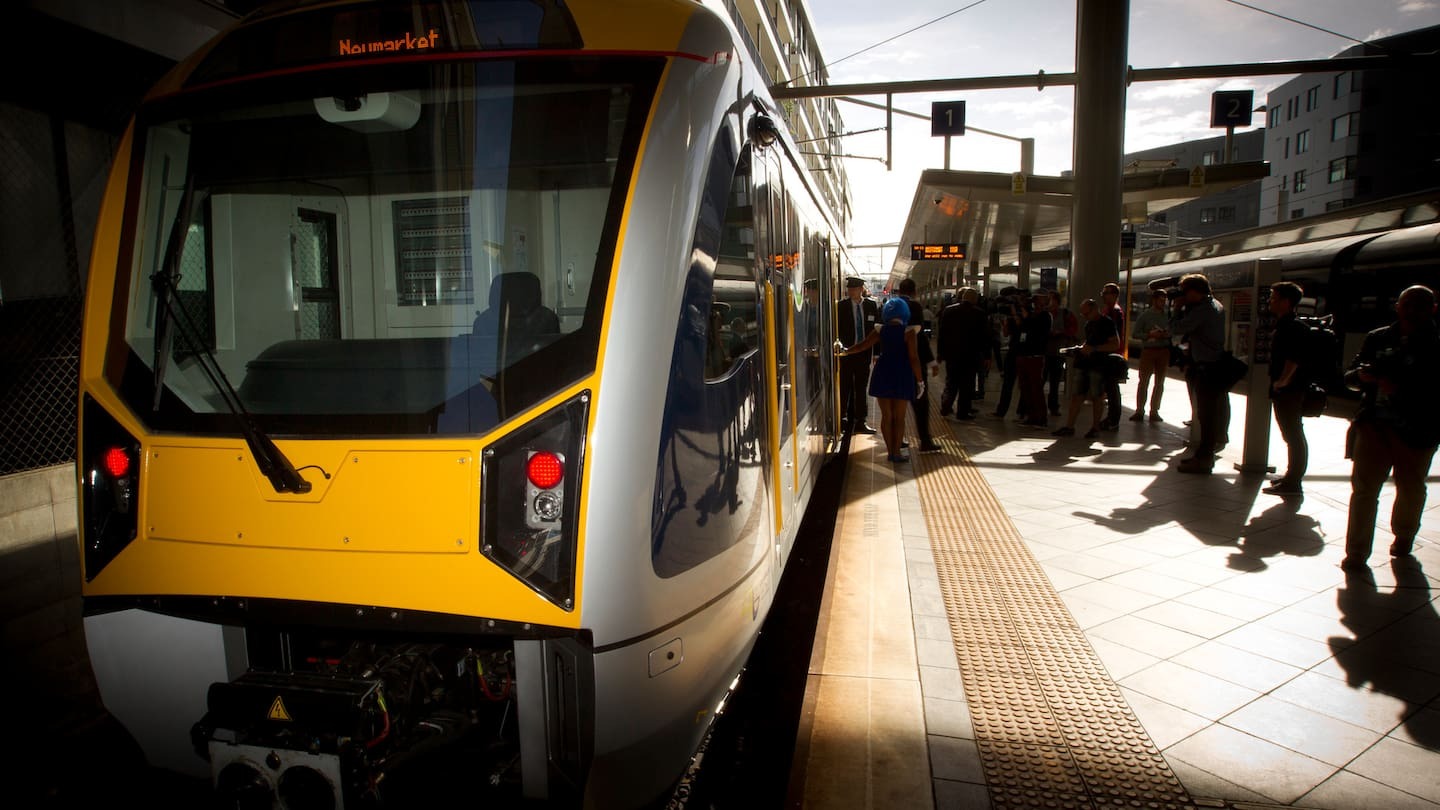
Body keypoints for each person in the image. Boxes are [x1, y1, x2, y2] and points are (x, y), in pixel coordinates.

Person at [1341, 285, 1440, 570]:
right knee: (1363, 490)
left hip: (1417, 430)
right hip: (1374, 425)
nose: (1411, 310)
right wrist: (1362, 376)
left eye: (1419, 305)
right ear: (1397, 306)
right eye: (1407, 303)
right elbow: (1349, 376)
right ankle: (1356, 552)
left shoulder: (1436, 344)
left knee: (1410, 487)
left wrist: (1401, 388)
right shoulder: (1379, 338)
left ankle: (1404, 533)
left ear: (1432, 309)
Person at [840, 296, 923, 462]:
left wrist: (845, 351)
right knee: (899, 418)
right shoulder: (909, 333)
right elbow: (914, 358)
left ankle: (890, 451)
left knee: (886, 416)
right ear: (904, 313)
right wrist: (920, 381)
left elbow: (863, 345)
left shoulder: (880, 330)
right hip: (902, 373)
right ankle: (896, 453)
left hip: (883, 372)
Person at [1168, 273, 1228, 474]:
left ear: (1195, 291)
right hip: (1212, 365)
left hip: (1206, 366)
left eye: (1186, 292)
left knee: (1205, 415)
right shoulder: (1215, 305)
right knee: (1206, 415)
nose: (1184, 296)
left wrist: (1177, 309)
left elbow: (1175, 328)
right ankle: (1203, 456)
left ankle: (1204, 459)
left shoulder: (1203, 310)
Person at [1263, 281, 1311, 495]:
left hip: (1290, 390)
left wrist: (1282, 381)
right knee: (1291, 434)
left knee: (1293, 434)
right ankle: (1291, 476)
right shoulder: (1284, 324)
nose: (1270, 301)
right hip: (1286, 388)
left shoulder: (1292, 327)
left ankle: (1293, 481)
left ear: (1286, 301)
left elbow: (1294, 358)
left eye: (1274, 297)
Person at [1052, 298, 1118, 440]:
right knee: (1077, 396)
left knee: (1097, 397)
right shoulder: (1089, 324)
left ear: (1094, 309)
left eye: (1086, 313)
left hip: (1098, 365)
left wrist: (1095, 349)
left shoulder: (1107, 323)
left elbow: (1115, 344)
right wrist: (1080, 349)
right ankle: (1069, 426)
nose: (1085, 317)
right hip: (1085, 364)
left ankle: (1095, 428)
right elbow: (1089, 342)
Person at [897, 279, 943, 453]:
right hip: (913, 361)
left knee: (897, 403)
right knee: (921, 403)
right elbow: (919, 336)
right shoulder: (915, 307)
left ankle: (898, 439)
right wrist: (931, 362)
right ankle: (925, 441)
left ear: (900, 290)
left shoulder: (888, 306)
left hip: (895, 361)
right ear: (914, 291)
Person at [936, 288, 992, 421]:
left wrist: (940, 353)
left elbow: (942, 334)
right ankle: (963, 412)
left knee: (951, 382)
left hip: (952, 355)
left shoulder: (949, 311)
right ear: (975, 300)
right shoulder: (979, 313)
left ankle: (946, 405)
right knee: (967, 384)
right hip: (971, 355)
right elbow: (985, 336)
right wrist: (987, 355)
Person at [836, 276, 879, 435]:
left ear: (861, 289)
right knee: (844, 386)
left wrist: (877, 353)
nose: (851, 291)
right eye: (849, 289)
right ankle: (842, 418)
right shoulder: (841, 306)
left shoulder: (871, 305)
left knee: (861, 388)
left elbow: (877, 330)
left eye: (854, 289)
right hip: (846, 353)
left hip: (864, 354)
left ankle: (861, 421)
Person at [1129, 289, 1171, 423]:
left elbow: (1173, 331)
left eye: (1164, 300)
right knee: (1144, 382)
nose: (1163, 303)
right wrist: (1150, 335)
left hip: (1163, 350)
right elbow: (1135, 334)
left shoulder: (1167, 316)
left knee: (1160, 383)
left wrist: (1166, 334)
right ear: (1154, 300)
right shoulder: (1145, 316)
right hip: (1149, 351)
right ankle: (1140, 410)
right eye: (1160, 300)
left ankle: (1154, 411)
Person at [1016, 292, 1053, 427]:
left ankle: (1040, 417)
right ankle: (1031, 416)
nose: (1035, 303)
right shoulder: (1031, 315)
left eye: (1038, 300)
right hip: (1024, 354)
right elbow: (1023, 329)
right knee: (1025, 388)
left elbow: (1038, 331)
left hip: (1036, 356)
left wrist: (1027, 317)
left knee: (1035, 388)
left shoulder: (1045, 316)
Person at [1043, 290, 1078, 416]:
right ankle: (1038, 406)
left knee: (1055, 381)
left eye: (1051, 299)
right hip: (1045, 351)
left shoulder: (1066, 314)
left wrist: (1061, 332)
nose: (1048, 302)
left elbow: (1073, 329)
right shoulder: (1044, 313)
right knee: (1041, 380)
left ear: (1057, 301)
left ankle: (1053, 406)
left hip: (1058, 352)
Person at [1100, 282, 1126, 429]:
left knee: (1111, 387)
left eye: (1106, 293)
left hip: (1112, 354)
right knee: (1109, 387)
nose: (1104, 296)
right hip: (1109, 352)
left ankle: (1113, 419)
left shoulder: (1114, 311)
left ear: (1115, 295)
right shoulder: (1108, 310)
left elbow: (1111, 334)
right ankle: (1111, 418)